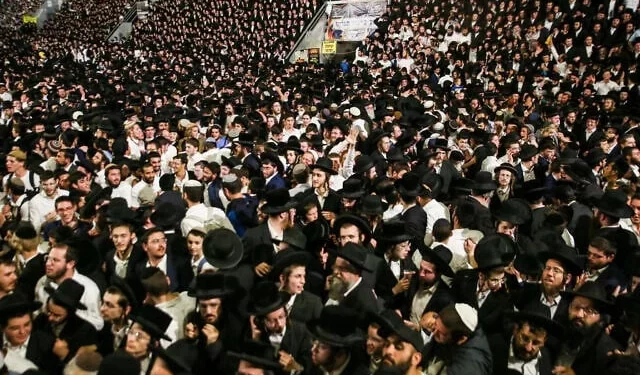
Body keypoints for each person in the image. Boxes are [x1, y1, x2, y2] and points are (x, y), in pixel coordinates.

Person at [554, 282, 621, 375]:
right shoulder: (554, 333)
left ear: (600, 317)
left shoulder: (607, 352)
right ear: (569, 308)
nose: (579, 314)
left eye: (589, 310)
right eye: (576, 307)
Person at [34, 242, 103, 331]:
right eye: (48, 259)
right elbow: (37, 313)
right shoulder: (42, 282)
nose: (48, 263)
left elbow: (97, 324)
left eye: (55, 260)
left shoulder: (89, 289)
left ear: (70, 264)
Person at [248, 281, 312, 373]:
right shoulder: (254, 334)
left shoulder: (302, 332)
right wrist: (256, 340)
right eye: (272, 320)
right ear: (262, 321)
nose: (280, 324)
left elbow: (309, 369)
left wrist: (296, 367)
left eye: (281, 317)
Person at [34, 279, 98, 365]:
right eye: (48, 311)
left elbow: (85, 368)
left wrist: (65, 355)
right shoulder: (41, 320)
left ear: (70, 313)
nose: (50, 318)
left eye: (56, 315)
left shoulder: (85, 331)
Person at [488, 308, 564, 375]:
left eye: (536, 343)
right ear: (516, 330)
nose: (528, 348)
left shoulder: (546, 357)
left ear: (544, 341)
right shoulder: (492, 346)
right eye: (525, 338)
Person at [423, 303, 492, 375]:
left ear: (461, 339)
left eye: (441, 333)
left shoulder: (470, 366)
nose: (434, 333)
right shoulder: (445, 331)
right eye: (435, 325)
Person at [306, 305, 369, 375]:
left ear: (339, 353)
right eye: (314, 342)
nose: (313, 349)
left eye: (322, 347)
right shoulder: (315, 361)